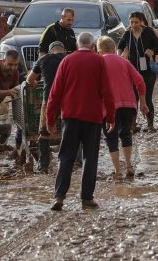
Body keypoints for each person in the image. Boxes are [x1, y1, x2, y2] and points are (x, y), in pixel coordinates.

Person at [46, 32, 114, 211]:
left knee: (66, 156)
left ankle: (59, 196)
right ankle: (86, 198)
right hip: (93, 117)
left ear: (77, 45)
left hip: (70, 117)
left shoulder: (66, 61)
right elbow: (107, 91)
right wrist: (111, 117)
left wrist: (50, 118)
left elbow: (55, 93)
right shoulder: (99, 61)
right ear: (92, 46)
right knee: (89, 158)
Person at [98, 36, 147, 178]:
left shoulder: (99, 62)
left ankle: (117, 171)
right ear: (114, 49)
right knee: (126, 134)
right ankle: (129, 166)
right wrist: (143, 102)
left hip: (107, 107)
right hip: (128, 105)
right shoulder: (124, 62)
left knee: (111, 137)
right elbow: (140, 81)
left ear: (99, 50)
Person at [26, 41, 66, 173]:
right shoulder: (68, 59)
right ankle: (73, 163)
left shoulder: (43, 59)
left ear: (50, 51)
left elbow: (30, 80)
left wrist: (39, 81)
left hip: (49, 99)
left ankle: (43, 166)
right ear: (63, 51)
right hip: (68, 100)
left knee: (44, 133)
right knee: (70, 130)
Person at [118, 11, 158, 132]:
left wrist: (152, 51)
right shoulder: (127, 34)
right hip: (132, 70)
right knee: (133, 98)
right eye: (131, 22)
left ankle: (150, 124)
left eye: (136, 22)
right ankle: (133, 125)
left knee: (147, 97)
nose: (134, 25)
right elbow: (120, 46)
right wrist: (121, 54)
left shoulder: (149, 32)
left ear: (141, 22)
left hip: (148, 70)